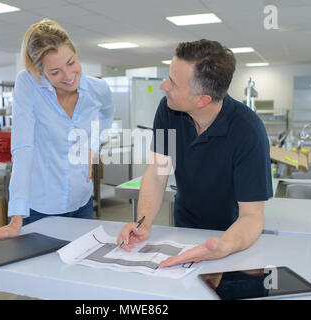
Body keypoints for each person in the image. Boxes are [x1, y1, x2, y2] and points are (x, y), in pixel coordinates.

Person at [117, 39, 273, 267]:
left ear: (202, 100)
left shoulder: (249, 131)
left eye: (173, 83)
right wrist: (143, 223)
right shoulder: (168, 111)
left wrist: (224, 245)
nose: (163, 86)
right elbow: (158, 173)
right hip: (184, 230)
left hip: (231, 239)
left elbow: (251, 216)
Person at [0, 19, 114, 241]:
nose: (67, 76)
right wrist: (16, 219)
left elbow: (106, 115)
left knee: (78, 272)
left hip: (81, 202)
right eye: (55, 72)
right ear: (40, 71)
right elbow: (23, 148)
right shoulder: (28, 85)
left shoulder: (98, 89)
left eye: (71, 62)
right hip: (39, 209)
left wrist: (93, 147)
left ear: (76, 53)